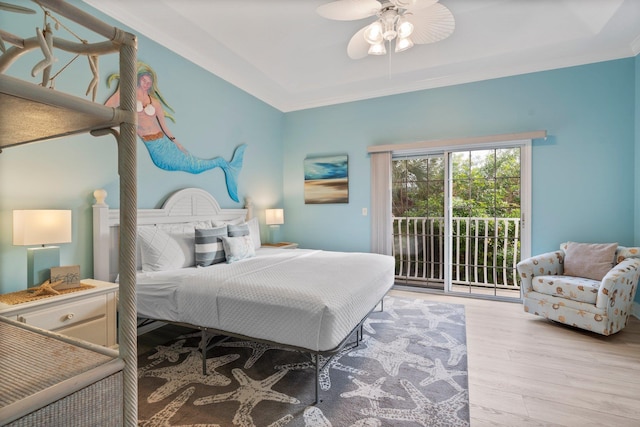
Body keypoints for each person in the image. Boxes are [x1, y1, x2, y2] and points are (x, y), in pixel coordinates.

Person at [105, 62, 246, 202]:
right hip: (154, 148)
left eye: (149, 82)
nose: (147, 84)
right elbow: (107, 108)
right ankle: (221, 163)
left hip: (165, 142)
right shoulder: (127, 94)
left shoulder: (154, 102)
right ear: (139, 79)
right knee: (189, 166)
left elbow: (164, 127)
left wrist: (177, 143)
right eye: (144, 80)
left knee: (194, 167)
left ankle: (222, 164)